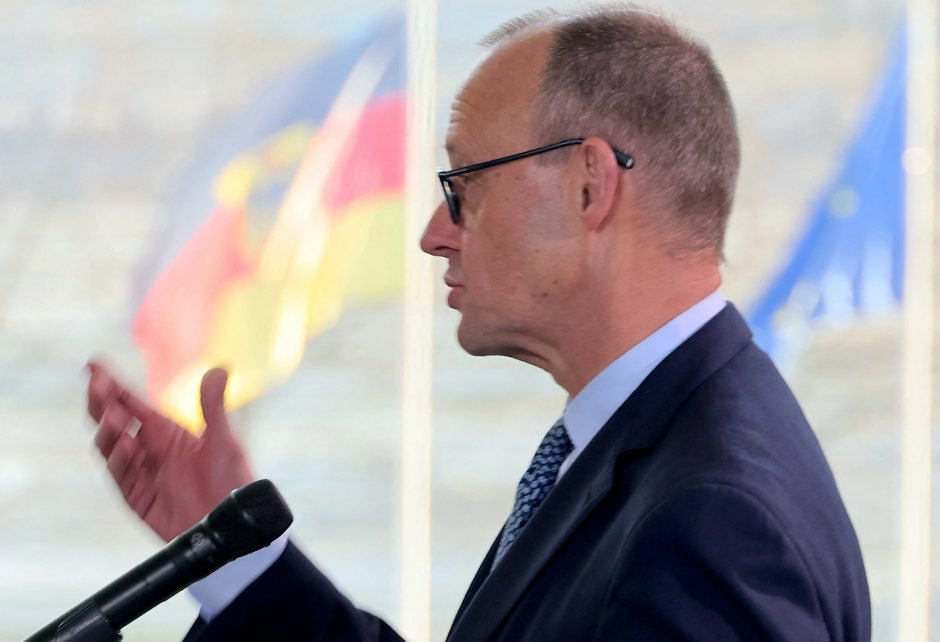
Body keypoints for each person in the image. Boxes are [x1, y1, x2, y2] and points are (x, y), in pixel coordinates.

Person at [87, 5, 871, 640]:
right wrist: (233, 555)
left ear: (590, 186)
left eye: (464, 186)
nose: (435, 233)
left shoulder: (713, 519)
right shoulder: (665, 443)